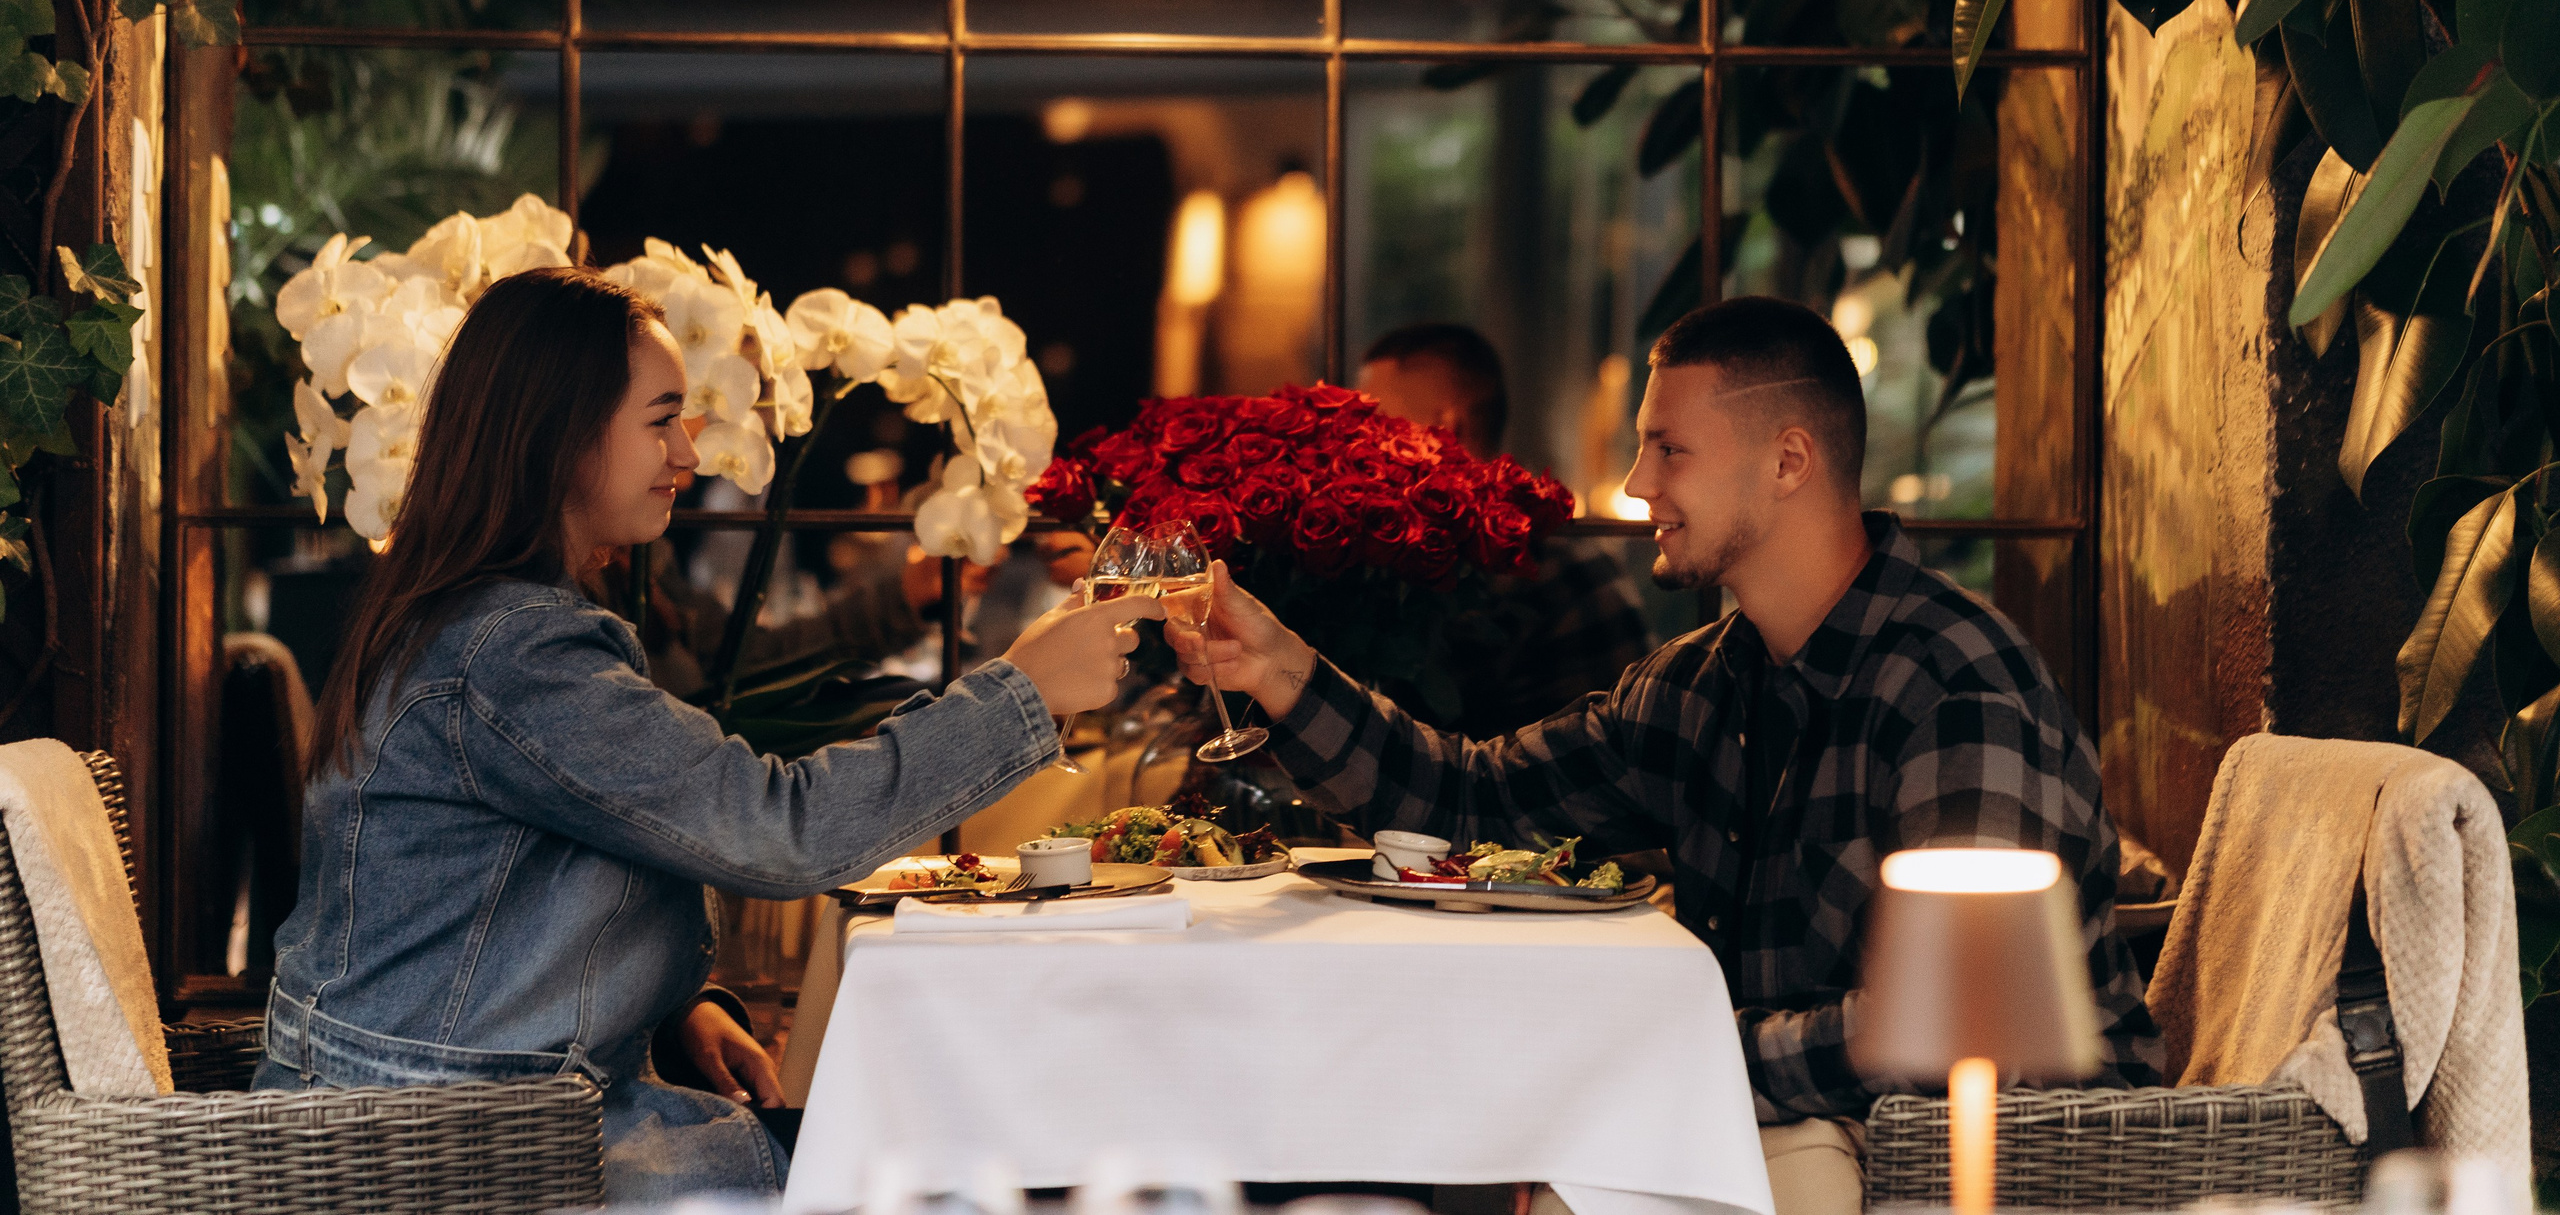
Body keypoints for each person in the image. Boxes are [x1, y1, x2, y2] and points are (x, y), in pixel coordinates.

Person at [1174, 297, 2159, 1215]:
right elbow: (1469, 806)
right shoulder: (1701, 684)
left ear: (1787, 461)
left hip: (1996, 1164)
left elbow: (1959, 1022)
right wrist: (1280, 670)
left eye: (1667, 449)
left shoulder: (1956, 687)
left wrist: (1681, 1050)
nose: (1638, 483)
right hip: (1780, 1123)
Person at [256, 267, 1156, 1203]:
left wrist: (682, 1006)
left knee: (908, 1150)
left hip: (453, 1122)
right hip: (458, 1157)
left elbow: (507, 890)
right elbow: (779, 829)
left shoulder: (468, 620)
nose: (688, 453)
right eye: (661, 419)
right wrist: (1022, 691)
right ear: (557, 434)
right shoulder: (514, 649)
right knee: (962, 1165)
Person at [1358, 323, 1652, 737]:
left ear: (1448, 426)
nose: (1358, 442)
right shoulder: (1399, 559)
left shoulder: (1546, 569)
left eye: (1376, 422)